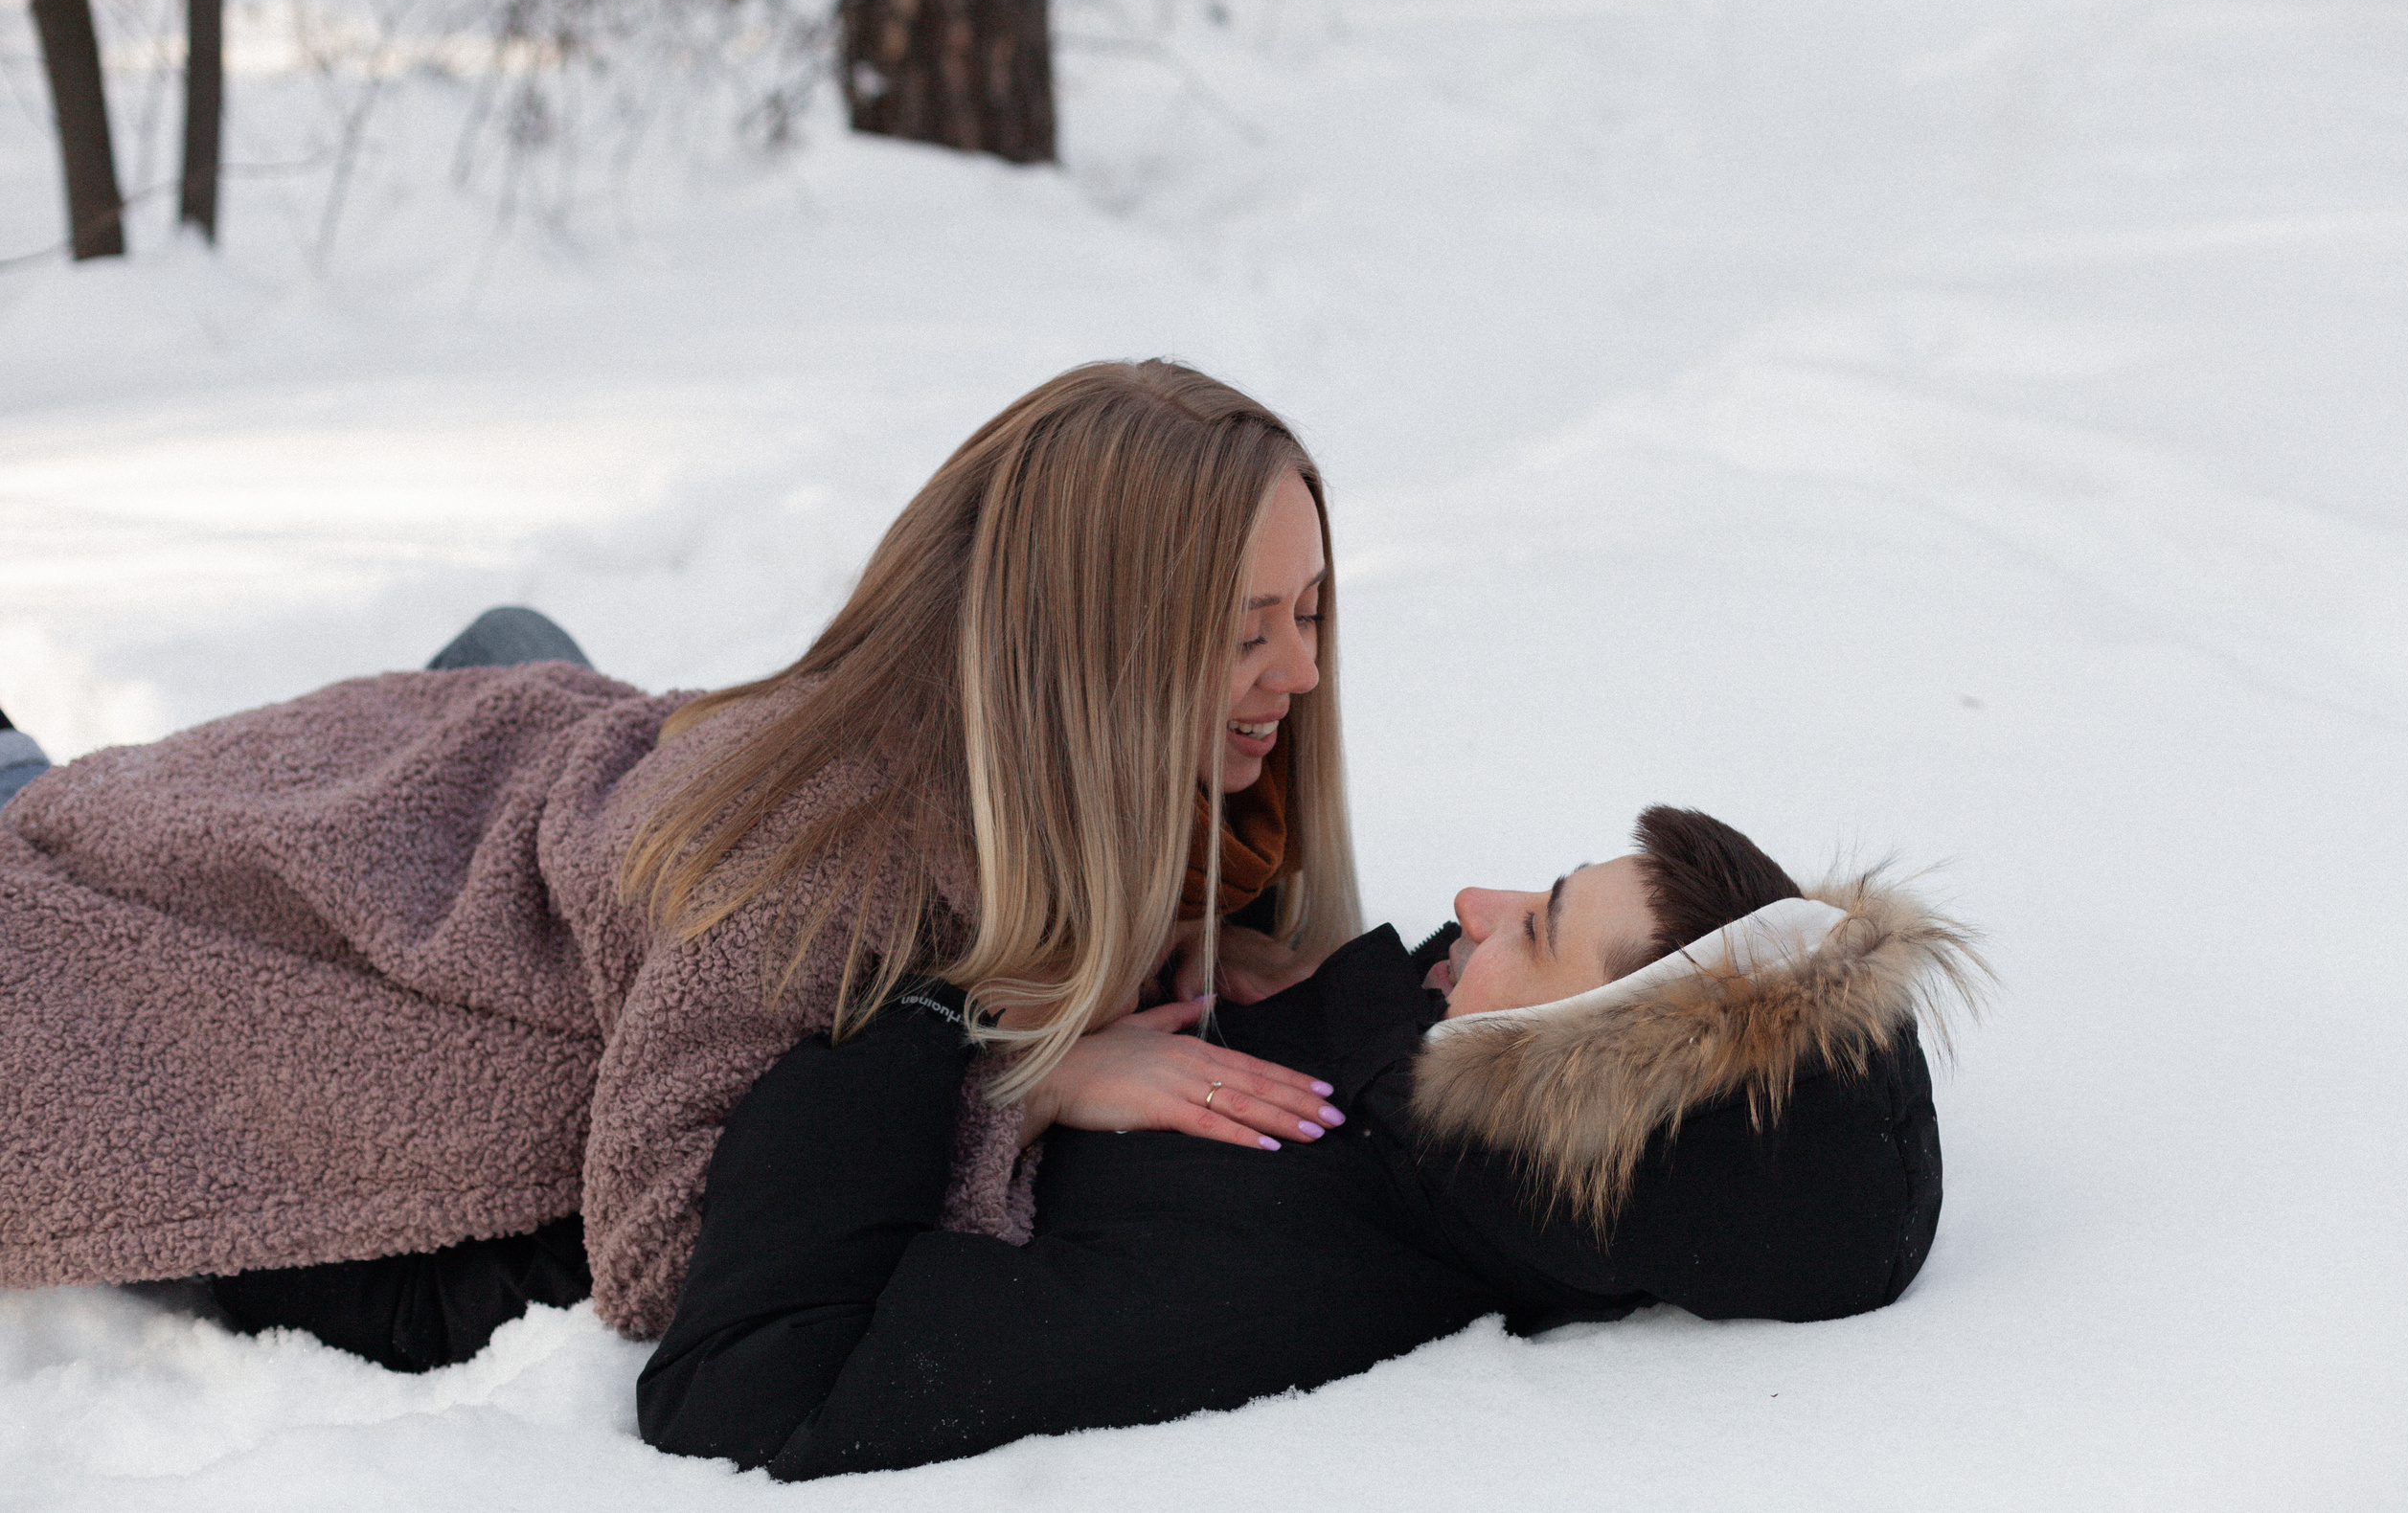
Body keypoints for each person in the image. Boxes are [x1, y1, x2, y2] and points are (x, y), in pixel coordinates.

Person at [0, 360, 1356, 1370]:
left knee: (509, 662)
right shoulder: (830, 868)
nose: (1298, 671)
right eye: (1246, 635)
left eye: (1306, 614)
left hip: (476, 802)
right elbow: (662, 1247)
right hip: (204, 916)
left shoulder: (1105, 791)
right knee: (48, 850)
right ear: (1086, 653)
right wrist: (1027, 1087)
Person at [639, 806, 1988, 1479]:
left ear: (1584, 1079)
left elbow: (752, 1391)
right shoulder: (1418, 1072)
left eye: (1537, 927)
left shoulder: (1276, 1276)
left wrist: (963, 1040)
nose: (1472, 899)